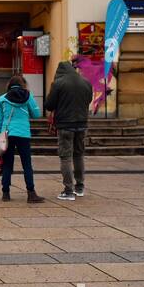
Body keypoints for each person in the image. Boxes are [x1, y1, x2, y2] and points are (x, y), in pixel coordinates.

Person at [44, 59, 93, 201]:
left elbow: (49, 104)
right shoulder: (86, 82)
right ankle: (80, 187)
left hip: (65, 124)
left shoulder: (58, 83)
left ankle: (68, 190)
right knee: (79, 155)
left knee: (66, 157)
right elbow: (88, 100)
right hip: (82, 123)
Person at [0, 74, 44, 203]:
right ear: (23, 84)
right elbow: (37, 114)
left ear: (9, 85)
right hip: (23, 134)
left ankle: (5, 193)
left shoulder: (2, 99)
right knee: (27, 164)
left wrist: (0, 134)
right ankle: (31, 193)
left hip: (7, 134)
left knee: (7, 164)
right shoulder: (28, 96)